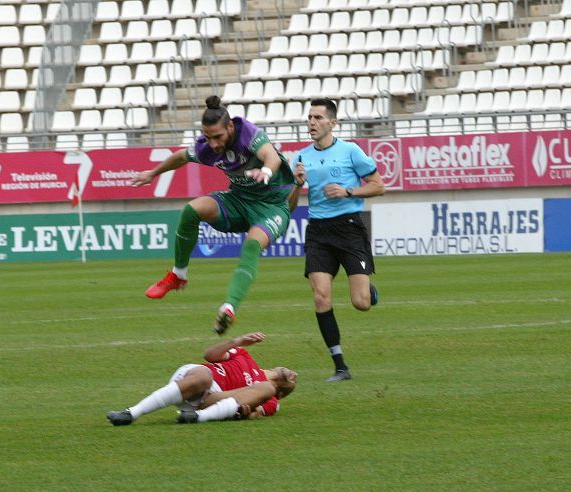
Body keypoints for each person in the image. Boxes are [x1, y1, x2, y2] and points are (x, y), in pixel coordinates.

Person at [130, 95, 296, 335]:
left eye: (218, 137)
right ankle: (178, 275)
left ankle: (229, 308)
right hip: (239, 199)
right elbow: (180, 157)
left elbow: (270, 156)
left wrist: (266, 171)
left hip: (272, 206)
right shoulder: (207, 147)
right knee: (192, 210)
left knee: (251, 245)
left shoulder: (247, 132)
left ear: (230, 127)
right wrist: (152, 173)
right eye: (208, 138)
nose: (214, 144)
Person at [287, 98, 386, 381]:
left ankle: (370, 291)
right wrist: (297, 184)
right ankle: (340, 365)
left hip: (349, 227)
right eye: (309, 118)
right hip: (319, 231)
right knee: (320, 297)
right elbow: (290, 206)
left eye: (318, 118)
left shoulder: (351, 151)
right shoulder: (301, 158)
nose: (312, 123)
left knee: (361, 303)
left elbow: (379, 186)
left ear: (333, 122)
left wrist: (348, 192)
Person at [106, 332, 297, 425]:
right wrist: (237, 341)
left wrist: (247, 412)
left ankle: (196, 418)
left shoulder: (272, 399)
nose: (294, 375)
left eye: (294, 381)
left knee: (265, 388)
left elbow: (255, 413)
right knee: (204, 377)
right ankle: (132, 413)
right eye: (292, 372)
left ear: (283, 393)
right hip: (196, 378)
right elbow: (210, 355)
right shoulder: (245, 355)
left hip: (215, 401)